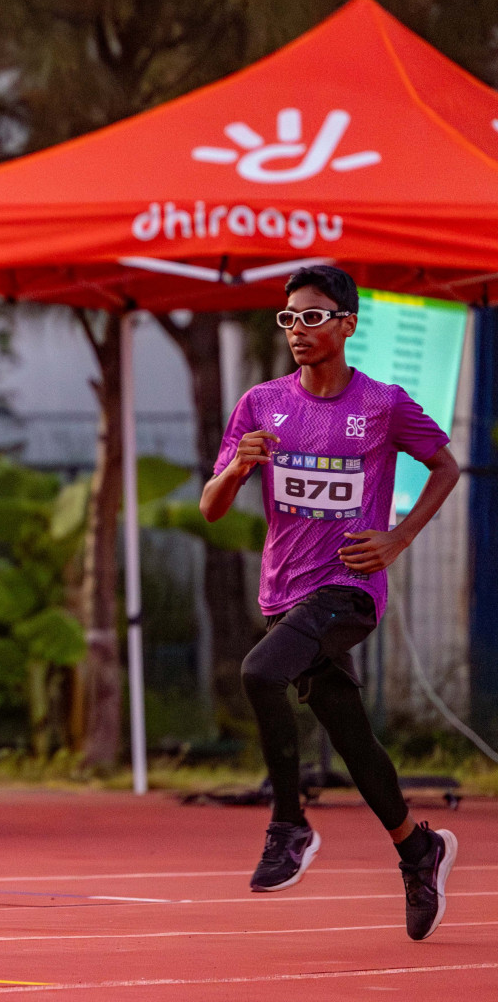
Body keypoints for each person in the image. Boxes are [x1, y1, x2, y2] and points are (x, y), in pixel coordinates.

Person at [201, 264, 461, 940]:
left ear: (347, 323)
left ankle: (289, 825)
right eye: (288, 318)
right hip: (283, 595)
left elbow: (445, 465)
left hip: (348, 591)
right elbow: (210, 507)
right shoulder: (261, 403)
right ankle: (417, 849)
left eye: (313, 316)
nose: (298, 330)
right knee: (350, 734)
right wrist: (237, 467)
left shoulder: (382, 404)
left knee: (261, 673)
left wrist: (397, 539)